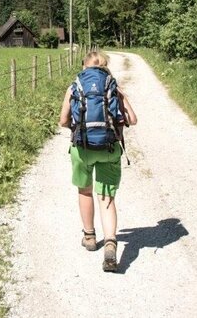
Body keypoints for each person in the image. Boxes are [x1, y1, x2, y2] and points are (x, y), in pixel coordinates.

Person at [58, 51, 137, 272]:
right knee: (106, 197)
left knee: (85, 191)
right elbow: (133, 119)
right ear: (105, 65)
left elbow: (63, 121)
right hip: (110, 148)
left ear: (85, 66)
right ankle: (110, 243)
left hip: (82, 149)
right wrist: (122, 98)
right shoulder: (112, 86)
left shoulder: (75, 86)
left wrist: (80, 127)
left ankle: (90, 237)